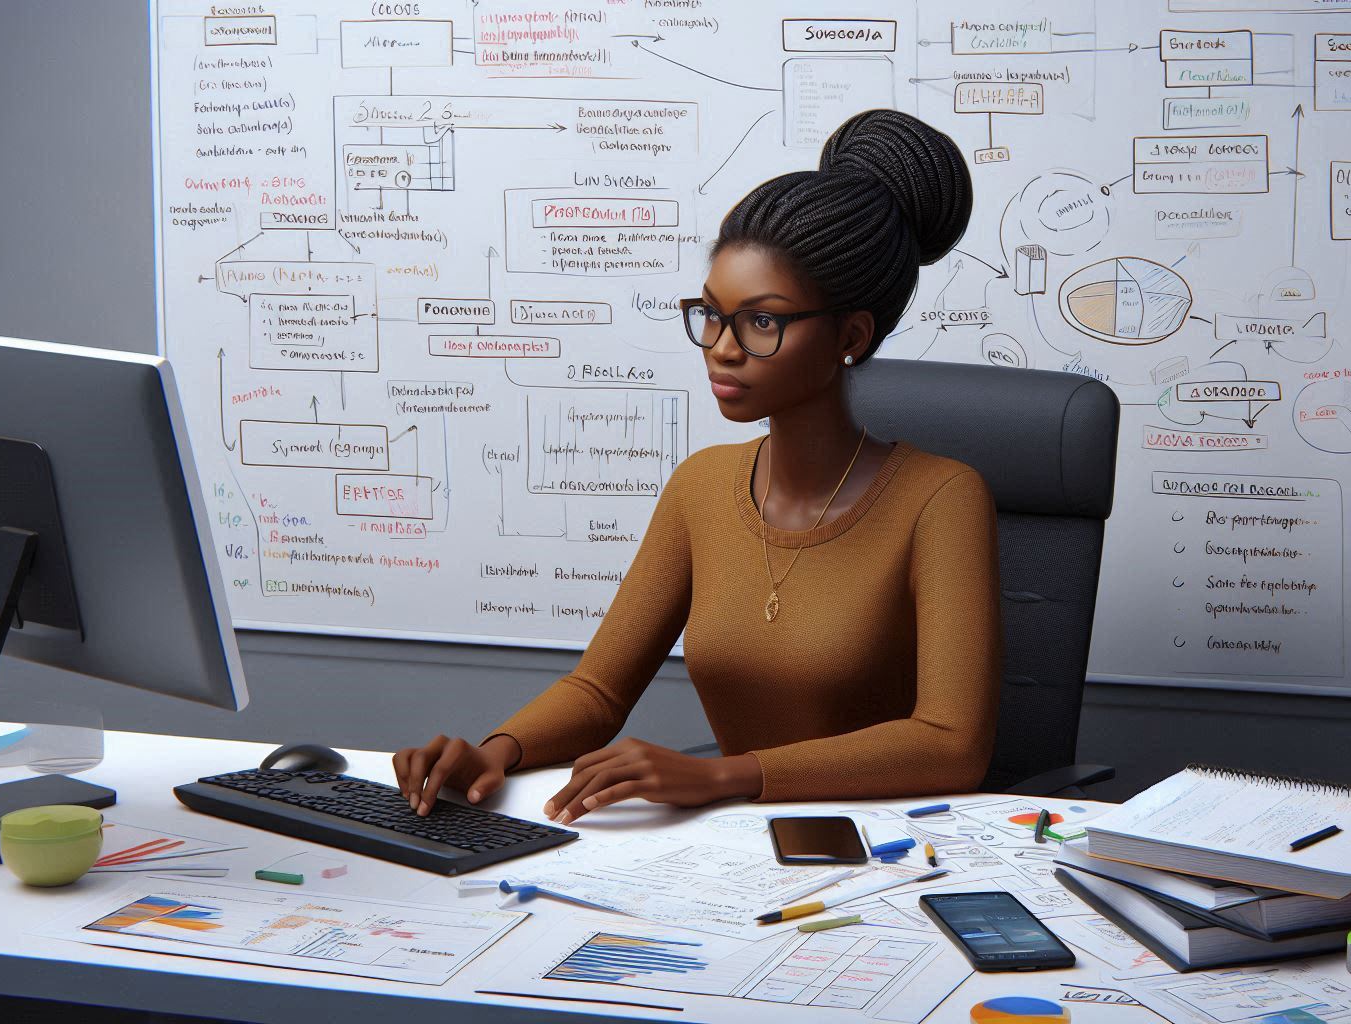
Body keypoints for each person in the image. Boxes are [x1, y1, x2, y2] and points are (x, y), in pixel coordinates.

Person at [394, 109, 1002, 825]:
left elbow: (952, 745)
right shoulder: (703, 486)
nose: (721, 346)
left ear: (851, 334)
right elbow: (599, 690)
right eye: (711, 313)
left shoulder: (943, 498)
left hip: (884, 854)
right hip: (722, 852)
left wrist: (723, 775)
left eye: (763, 321)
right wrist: (501, 750)